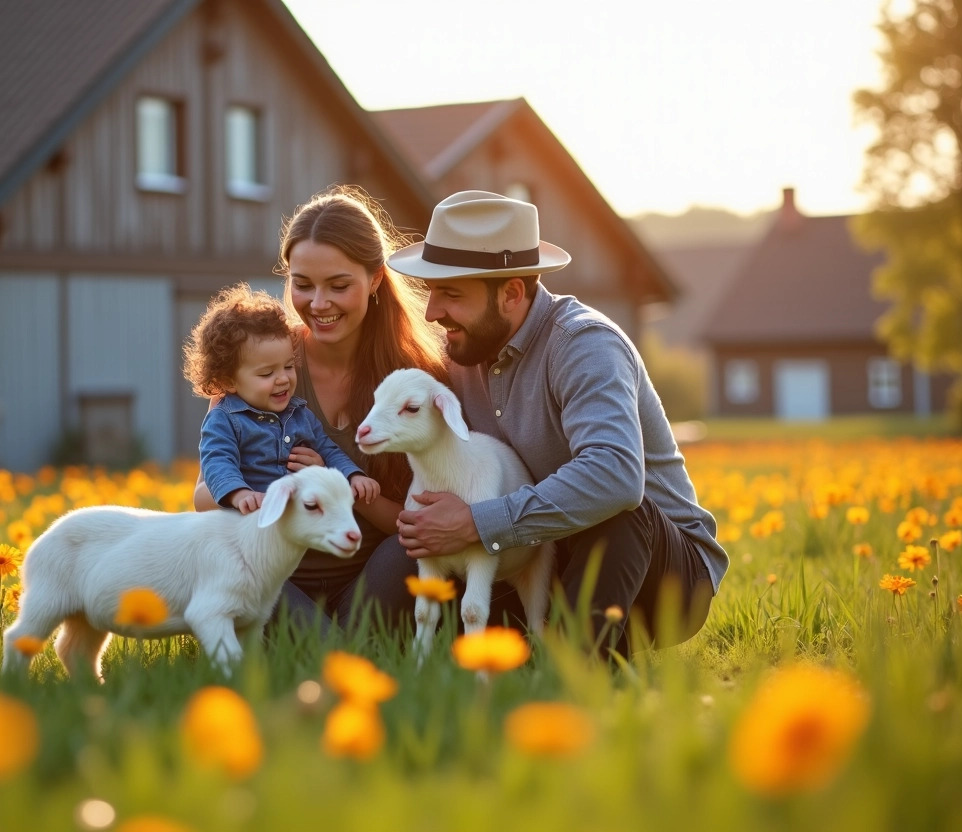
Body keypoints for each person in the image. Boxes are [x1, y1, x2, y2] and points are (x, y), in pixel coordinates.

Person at [385, 190, 729, 658]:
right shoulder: (461, 352)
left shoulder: (584, 344)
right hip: (538, 555)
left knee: (618, 511)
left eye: (452, 294)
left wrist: (478, 523)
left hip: (664, 576)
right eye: (432, 292)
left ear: (511, 293)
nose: (432, 312)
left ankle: (578, 675)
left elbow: (616, 476)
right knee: (405, 576)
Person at [193, 185, 448, 630]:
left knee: (410, 551)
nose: (318, 304)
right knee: (235, 568)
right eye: (303, 284)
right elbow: (202, 497)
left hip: (372, 576)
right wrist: (282, 496)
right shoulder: (260, 362)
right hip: (275, 576)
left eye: (338, 285)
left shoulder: (412, 379)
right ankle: (320, 643)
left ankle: (346, 641)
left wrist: (341, 482)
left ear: (375, 280)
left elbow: (416, 523)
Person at [183, 283, 380, 514]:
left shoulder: (300, 414)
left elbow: (329, 450)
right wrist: (240, 494)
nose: (283, 379)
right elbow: (217, 462)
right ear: (228, 382)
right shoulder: (225, 419)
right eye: (267, 373)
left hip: (291, 525)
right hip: (245, 524)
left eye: (288, 366)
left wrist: (352, 476)